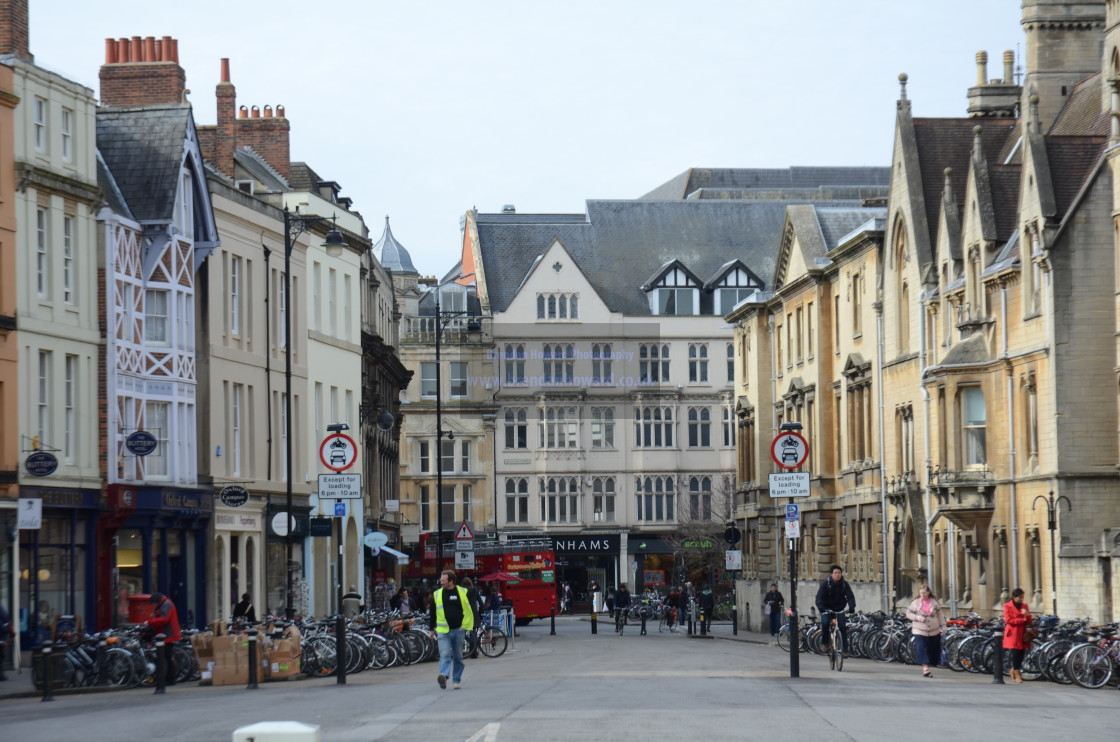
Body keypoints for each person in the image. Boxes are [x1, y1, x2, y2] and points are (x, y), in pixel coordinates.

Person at [429, 569, 476, 689]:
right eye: (441, 580)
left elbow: (469, 611)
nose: (441, 582)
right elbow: (433, 613)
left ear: (451, 581)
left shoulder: (463, 592)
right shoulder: (437, 594)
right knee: (444, 654)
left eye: (444, 580)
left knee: (458, 656)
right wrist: (431, 629)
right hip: (443, 631)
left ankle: (456, 680)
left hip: (458, 630)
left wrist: (464, 626)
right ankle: (444, 675)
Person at [815, 565, 856, 656]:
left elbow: (850, 596)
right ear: (831, 574)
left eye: (839, 573)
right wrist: (821, 608)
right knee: (825, 623)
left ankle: (845, 650)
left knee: (842, 628)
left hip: (839, 608)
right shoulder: (826, 583)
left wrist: (851, 607)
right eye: (835, 573)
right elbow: (819, 598)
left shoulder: (844, 584)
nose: (837, 575)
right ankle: (825, 643)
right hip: (826, 608)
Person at [905, 584, 945, 678]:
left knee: (933, 650)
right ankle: (925, 669)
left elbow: (940, 615)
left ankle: (929, 665)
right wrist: (917, 617)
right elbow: (908, 613)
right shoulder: (915, 603)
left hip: (933, 630)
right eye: (920, 593)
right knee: (923, 648)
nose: (922, 594)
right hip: (920, 630)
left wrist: (943, 626)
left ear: (928, 592)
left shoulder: (934, 602)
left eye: (924, 593)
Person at [146, 592, 181, 686]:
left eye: (154, 603)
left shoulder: (166, 604)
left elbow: (164, 619)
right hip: (165, 634)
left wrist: (149, 622)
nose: (153, 605)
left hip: (168, 634)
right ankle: (167, 678)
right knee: (166, 657)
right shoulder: (165, 604)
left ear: (157, 601)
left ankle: (169, 679)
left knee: (166, 657)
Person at [1003, 587, 1032, 683]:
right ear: (1014, 597)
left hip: (1023, 634)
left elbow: (1029, 621)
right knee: (1015, 653)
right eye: (1020, 597)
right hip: (1013, 633)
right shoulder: (1008, 606)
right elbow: (1008, 620)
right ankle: (1017, 673)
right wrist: (1022, 620)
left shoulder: (1024, 606)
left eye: (1022, 597)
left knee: (1021, 653)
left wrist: (1027, 615)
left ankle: (1014, 669)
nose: (1021, 599)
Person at [0, 600, 13, 681]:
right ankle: (1, 675)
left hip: (2, 635)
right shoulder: (2, 609)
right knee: (1, 655)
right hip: (2, 635)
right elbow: (7, 620)